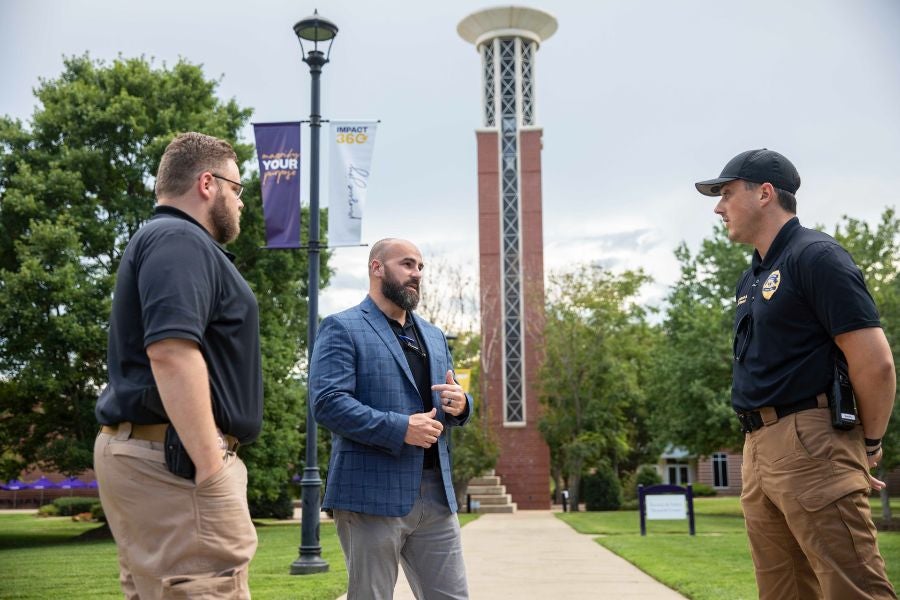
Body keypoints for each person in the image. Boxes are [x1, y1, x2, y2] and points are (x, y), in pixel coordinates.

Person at [696, 149, 896, 599]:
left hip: (811, 440)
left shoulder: (817, 256)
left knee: (853, 588)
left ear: (765, 193)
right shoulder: (751, 278)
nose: (718, 206)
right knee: (783, 590)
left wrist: (868, 444)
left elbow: (875, 362)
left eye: (727, 193)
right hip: (757, 447)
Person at [94, 132, 262, 599]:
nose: (241, 202)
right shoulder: (178, 238)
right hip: (178, 465)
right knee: (207, 586)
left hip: (160, 456)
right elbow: (170, 351)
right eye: (237, 188)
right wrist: (212, 468)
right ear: (208, 183)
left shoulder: (168, 239)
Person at [309, 238, 472, 600]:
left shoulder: (433, 335)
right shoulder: (342, 327)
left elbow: (451, 394)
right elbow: (328, 403)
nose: (416, 274)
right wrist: (401, 429)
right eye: (407, 264)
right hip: (370, 497)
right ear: (377, 268)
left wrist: (462, 404)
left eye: (420, 267)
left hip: (437, 496)